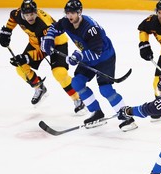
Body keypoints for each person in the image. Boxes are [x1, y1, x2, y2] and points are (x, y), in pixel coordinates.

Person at [41, 0, 138, 131]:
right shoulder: (66, 22)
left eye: (73, 13)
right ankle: (96, 113)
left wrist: (79, 56)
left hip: (105, 57)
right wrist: (49, 38)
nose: (69, 16)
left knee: (106, 89)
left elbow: (96, 53)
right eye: (67, 13)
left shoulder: (90, 28)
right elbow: (54, 27)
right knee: (77, 83)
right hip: (88, 55)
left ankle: (127, 118)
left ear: (79, 13)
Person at [0, 0, 86, 114]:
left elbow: (45, 50)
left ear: (36, 12)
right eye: (27, 15)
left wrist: (26, 57)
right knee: (21, 68)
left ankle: (78, 98)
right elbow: (12, 18)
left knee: (59, 73)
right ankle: (39, 88)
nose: (30, 17)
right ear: (22, 14)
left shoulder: (43, 25)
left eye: (32, 14)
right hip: (36, 42)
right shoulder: (17, 14)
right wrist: (7, 31)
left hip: (55, 43)